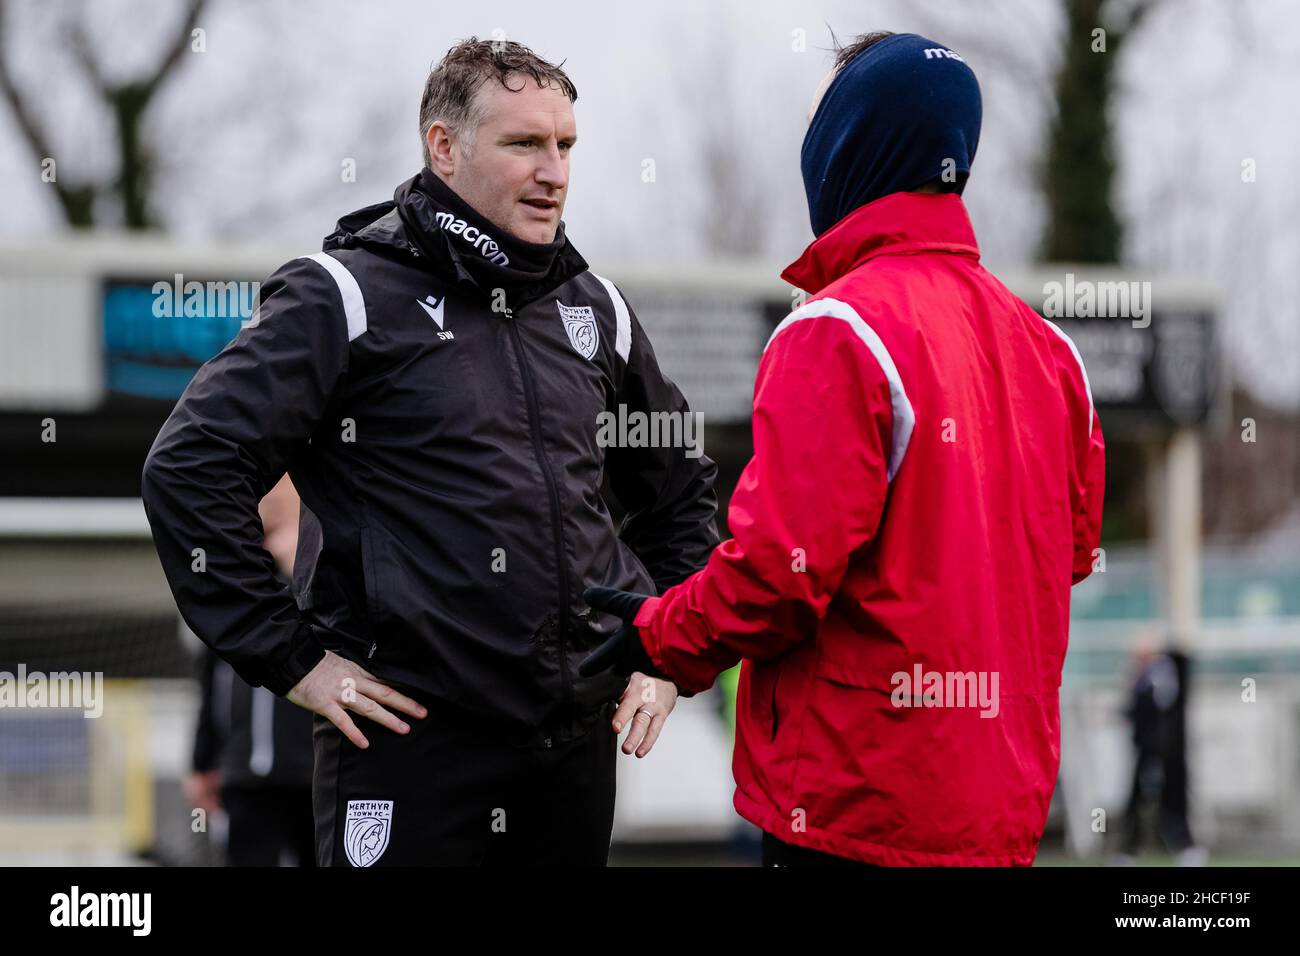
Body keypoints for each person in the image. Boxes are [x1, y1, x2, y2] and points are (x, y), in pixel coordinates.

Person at [143, 38, 718, 866]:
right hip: (410, 751)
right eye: (523, 143)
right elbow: (188, 468)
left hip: (572, 756)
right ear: (443, 148)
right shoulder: (340, 293)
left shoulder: (600, 311)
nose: (554, 170)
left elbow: (681, 498)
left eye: (566, 145)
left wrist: (666, 651)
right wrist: (295, 659)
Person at [582, 31, 1106, 866]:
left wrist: (657, 633)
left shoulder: (838, 328)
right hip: (1002, 817)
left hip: (854, 809)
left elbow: (777, 578)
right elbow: (1067, 558)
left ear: (851, 145)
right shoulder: (1053, 351)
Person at [186, 475, 316, 867]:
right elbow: (212, 682)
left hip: (309, 771)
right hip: (243, 773)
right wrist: (201, 762)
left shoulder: (320, 566)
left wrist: (296, 562)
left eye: (281, 486)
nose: (270, 497)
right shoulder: (236, 575)